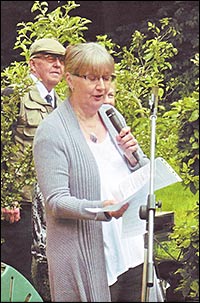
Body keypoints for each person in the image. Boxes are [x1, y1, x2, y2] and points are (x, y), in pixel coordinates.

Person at [32, 42, 148, 302]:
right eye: (92, 78)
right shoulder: (52, 132)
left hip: (128, 250)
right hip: (86, 257)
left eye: (107, 78)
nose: (102, 87)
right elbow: (56, 202)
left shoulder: (110, 114)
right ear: (70, 79)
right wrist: (101, 209)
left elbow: (138, 170)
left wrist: (133, 156)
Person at [1, 38, 65, 298]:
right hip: (20, 205)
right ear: (33, 64)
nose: (57, 65)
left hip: (48, 206)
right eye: (50, 59)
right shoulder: (14, 96)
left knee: (44, 274)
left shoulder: (59, 103)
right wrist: (6, 197)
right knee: (17, 275)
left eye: (61, 60)